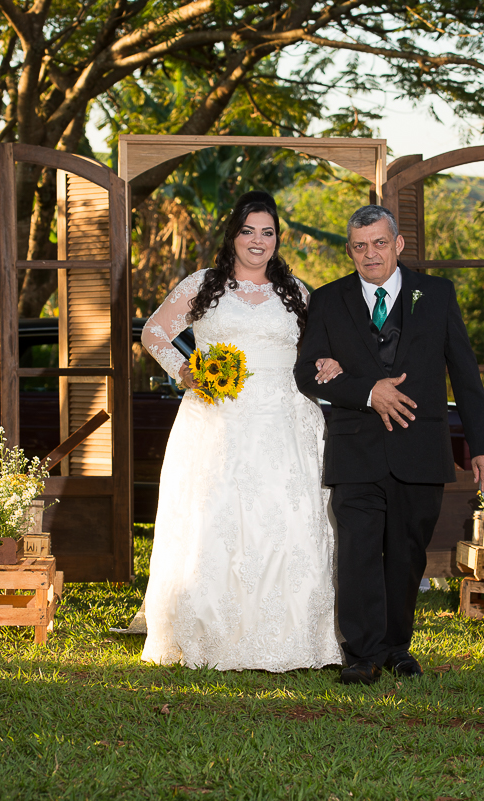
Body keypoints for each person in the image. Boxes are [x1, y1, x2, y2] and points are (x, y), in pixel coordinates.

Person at [139, 190, 343, 671]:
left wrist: (330, 361)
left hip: (284, 422)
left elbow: (319, 350)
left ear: (277, 239)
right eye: (248, 231)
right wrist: (185, 370)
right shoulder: (203, 285)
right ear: (233, 235)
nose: (258, 241)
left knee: (286, 521)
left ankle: (295, 637)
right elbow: (154, 332)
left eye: (267, 232)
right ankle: (210, 632)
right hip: (217, 420)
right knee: (216, 519)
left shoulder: (296, 291)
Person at [293, 205, 484, 685]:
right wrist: (366, 392)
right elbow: (306, 374)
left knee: (407, 555)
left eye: (379, 243)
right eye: (360, 247)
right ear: (350, 251)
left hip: (420, 449)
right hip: (355, 450)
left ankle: (396, 648)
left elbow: (465, 377)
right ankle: (361, 654)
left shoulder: (439, 295)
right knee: (358, 552)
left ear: (398, 245)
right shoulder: (328, 300)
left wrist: (482, 446)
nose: (370, 255)